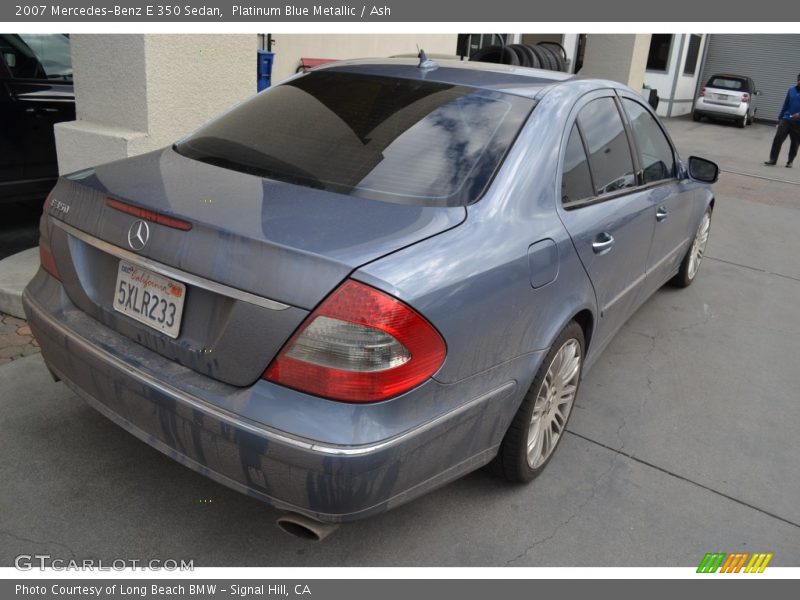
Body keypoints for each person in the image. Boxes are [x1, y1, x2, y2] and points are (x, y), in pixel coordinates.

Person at [765, 73, 800, 168]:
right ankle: (772, 159)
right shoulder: (791, 90)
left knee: (795, 143)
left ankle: (790, 161)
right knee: (778, 138)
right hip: (786, 119)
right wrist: (780, 117)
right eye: (798, 79)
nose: (799, 81)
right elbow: (786, 104)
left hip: (798, 123)